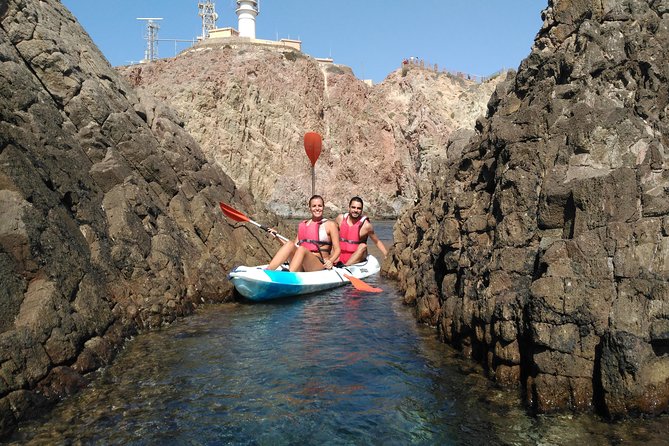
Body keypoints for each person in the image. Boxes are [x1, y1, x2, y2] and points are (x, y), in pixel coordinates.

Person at [266, 195, 340, 272]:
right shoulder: (304, 225)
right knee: (289, 244)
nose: (317, 208)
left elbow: (337, 249)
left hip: (319, 263)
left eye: (320, 206)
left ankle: (290, 275)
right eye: (314, 206)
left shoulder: (330, 225)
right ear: (310, 208)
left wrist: (331, 261)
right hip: (301, 262)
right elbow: (294, 246)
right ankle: (269, 270)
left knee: (301, 249)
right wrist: (276, 236)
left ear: (323, 207)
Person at [335, 197, 388, 266]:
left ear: (362, 210)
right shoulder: (340, 219)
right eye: (353, 207)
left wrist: (386, 254)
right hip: (340, 255)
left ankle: (346, 267)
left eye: (358, 208)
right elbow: (331, 236)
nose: (356, 210)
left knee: (363, 246)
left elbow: (377, 241)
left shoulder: (366, 226)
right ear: (349, 208)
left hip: (357, 257)